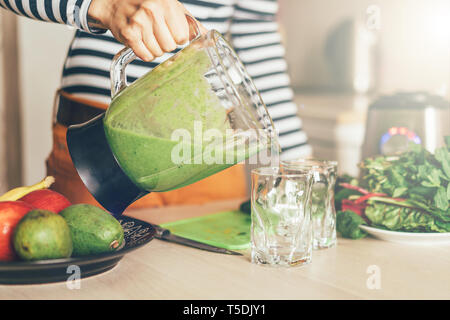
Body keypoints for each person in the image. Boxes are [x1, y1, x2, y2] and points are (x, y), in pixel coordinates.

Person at [0, 0, 312, 208]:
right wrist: (105, 5)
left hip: (208, 153)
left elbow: (256, 30)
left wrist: (298, 163)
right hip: (102, 148)